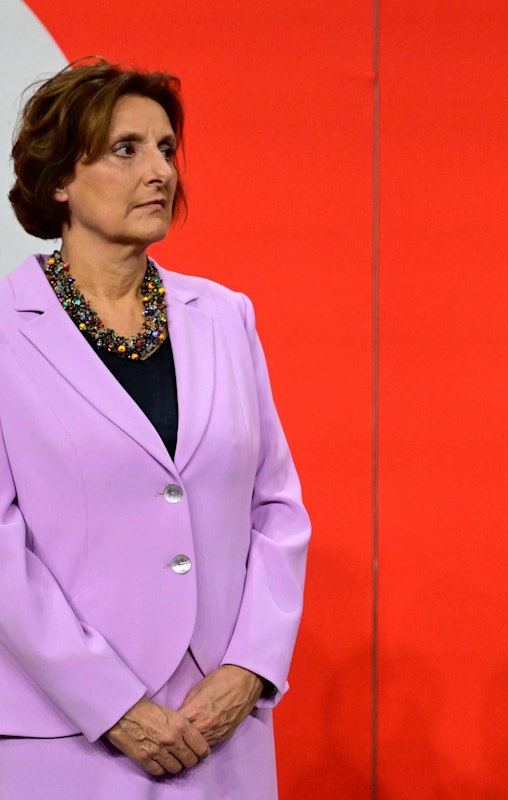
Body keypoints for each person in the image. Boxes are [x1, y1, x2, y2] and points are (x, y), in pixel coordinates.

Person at [0, 58, 310, 798]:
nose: (159, 172)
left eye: (167, 149)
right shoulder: (6, 331)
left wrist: (250, 669)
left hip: (220, 731)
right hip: (66, 736)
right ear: (57, 183)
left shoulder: (225, 315)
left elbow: (277, 509)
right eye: (125, 150)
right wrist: (111, 703)